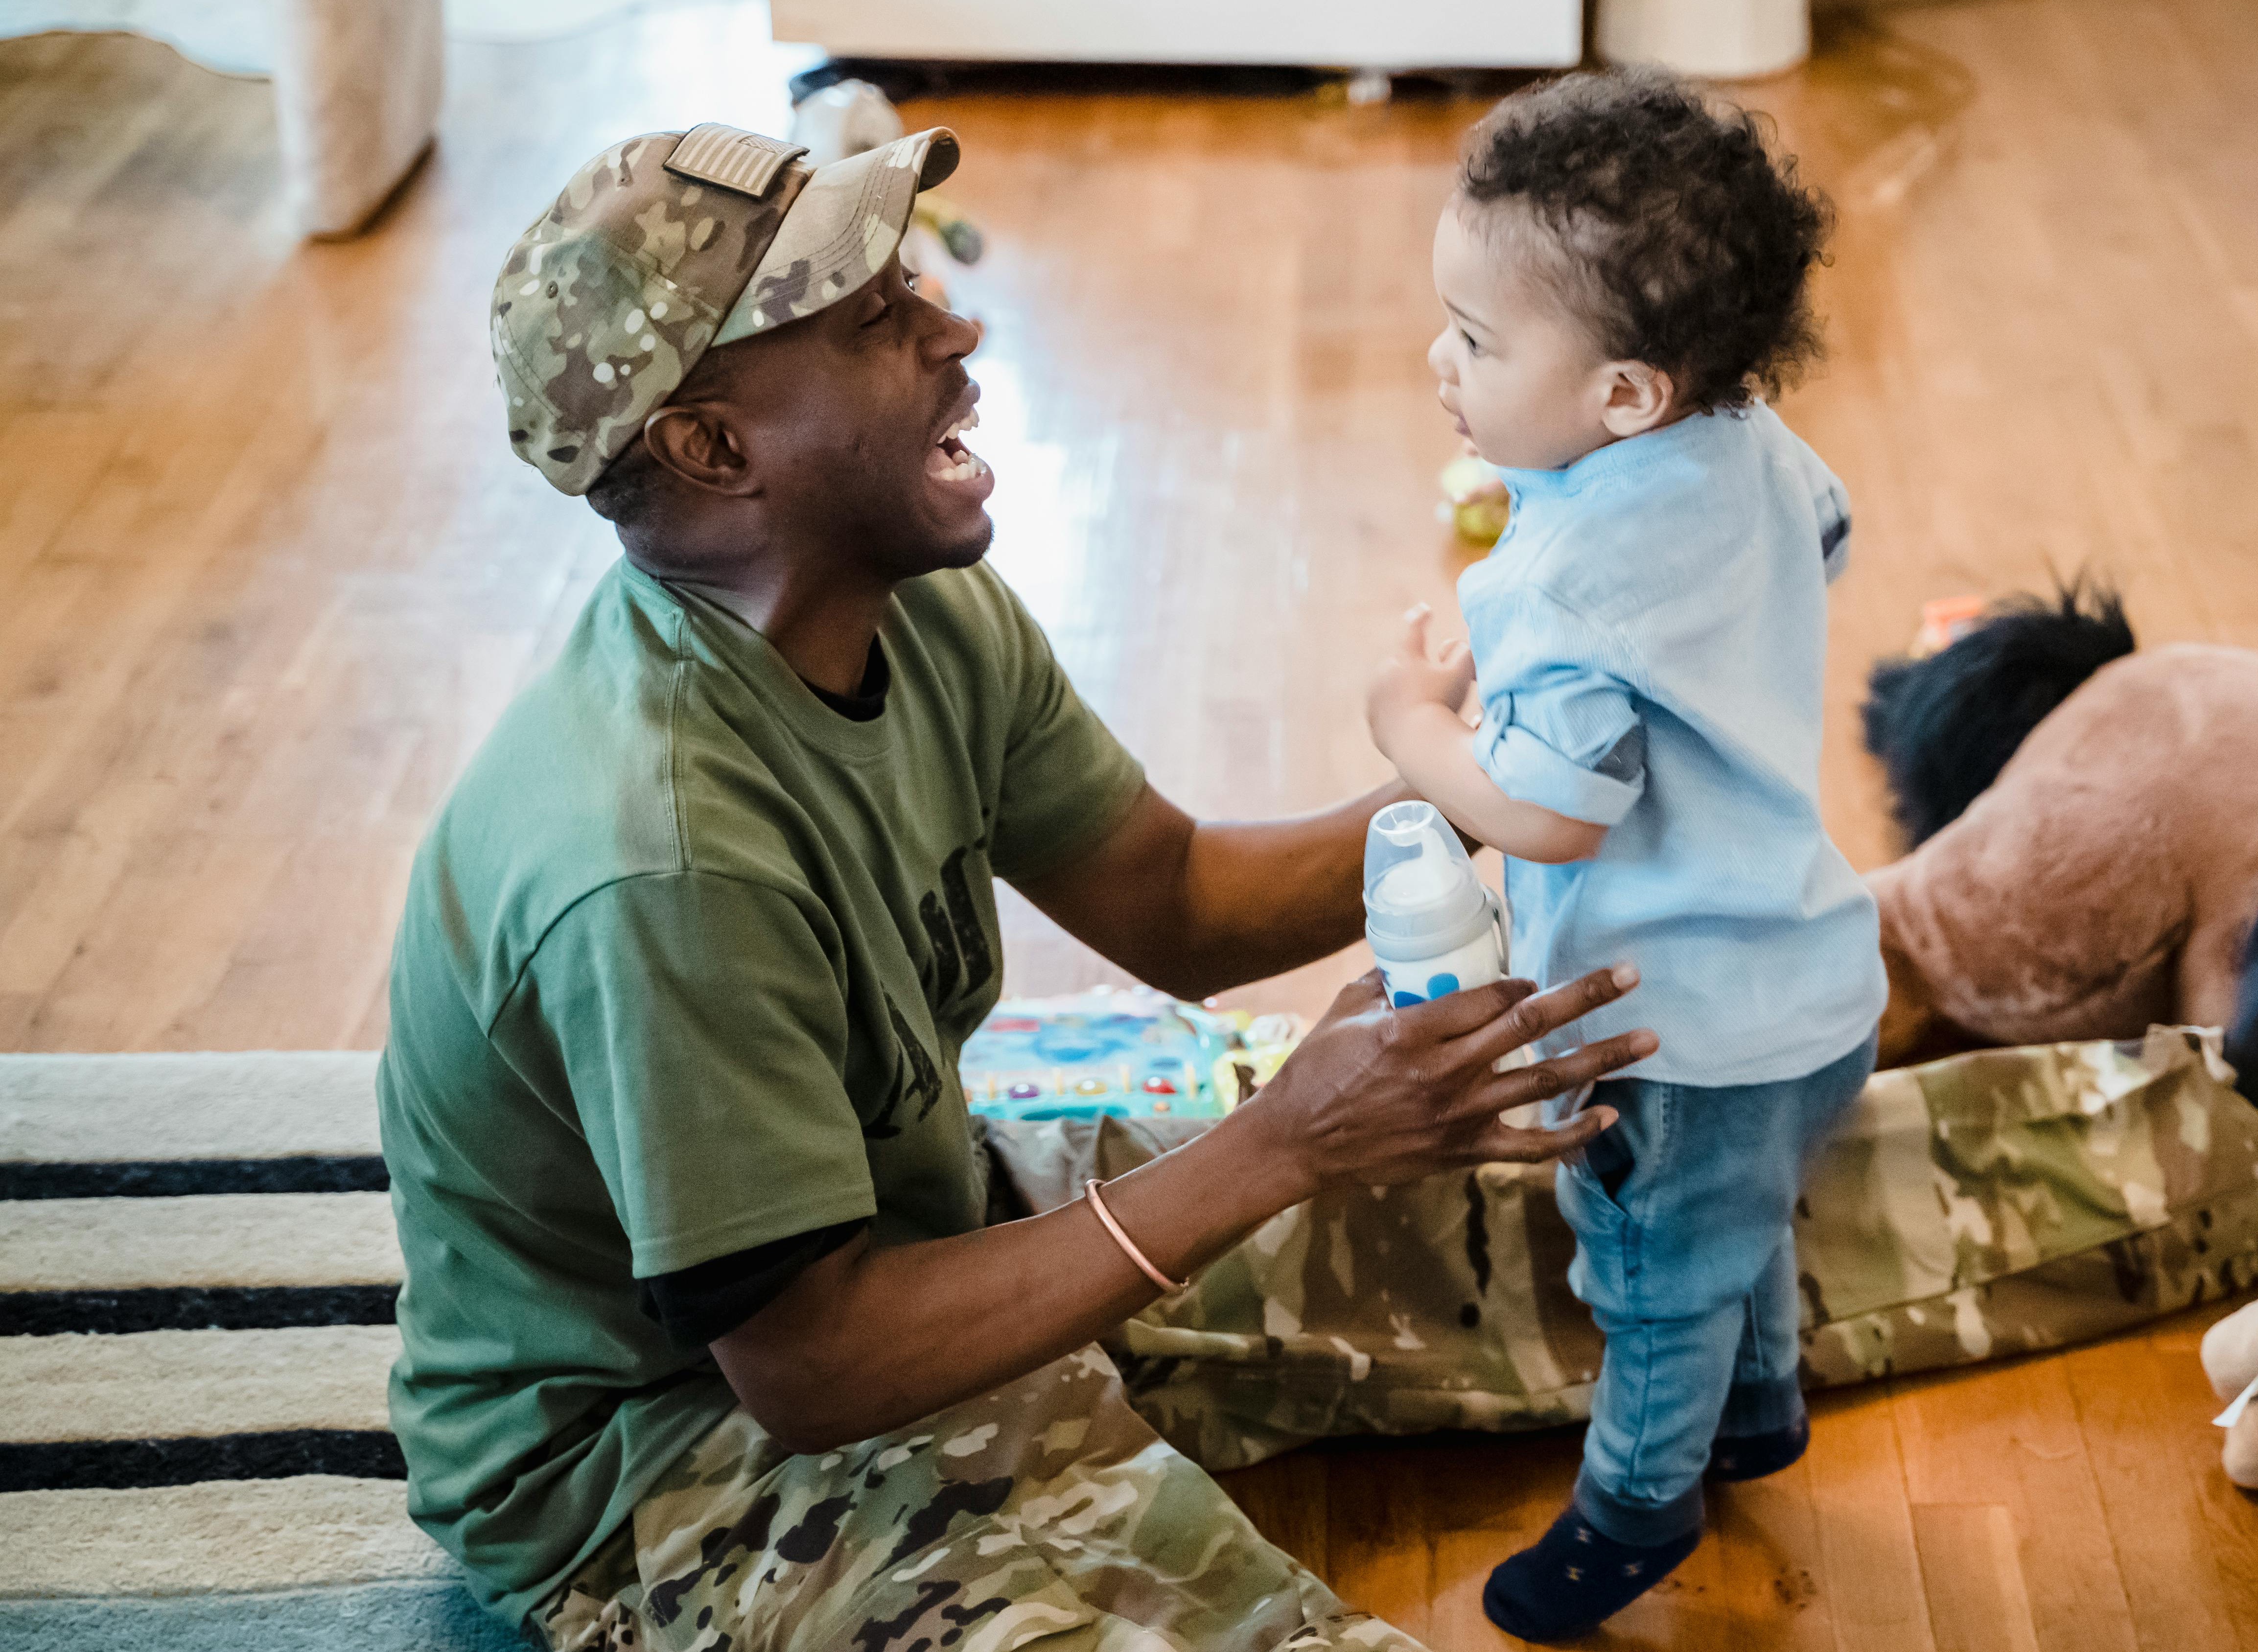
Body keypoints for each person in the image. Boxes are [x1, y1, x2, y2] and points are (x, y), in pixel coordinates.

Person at [380, 119, 1658, 1652]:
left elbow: (1177, 899)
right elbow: (812, 1371)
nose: (956, 326)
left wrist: (1503, 788)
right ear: (714, 448)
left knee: (1646, 1231)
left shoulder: (918, 610)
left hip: (926, 1245)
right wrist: (1284, 1145)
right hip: (676, 1460)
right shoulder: (656, 861)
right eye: (874, 321)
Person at [1364, 72, 1887, 1640]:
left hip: (1675, 1032)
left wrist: (1413, 727)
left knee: (1655, 1275)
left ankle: (1638, 1507)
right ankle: (1762, 1418)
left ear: (1628, 394)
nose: (1438, 361)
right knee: (1745, 1220)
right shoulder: (1749, 439)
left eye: (1478, 338)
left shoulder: (1576, 589)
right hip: (1810, 982)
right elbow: (1826, 537)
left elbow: (1549, 813)